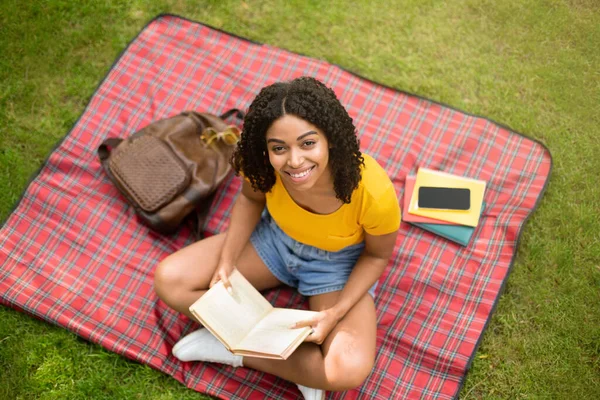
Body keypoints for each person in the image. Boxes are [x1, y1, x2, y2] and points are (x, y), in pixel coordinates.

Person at [154, 76, 400, 399]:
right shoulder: (263, 165)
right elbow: (251, 200)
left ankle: (233, 347)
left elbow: (377, 256)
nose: (294, 161)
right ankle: (277, 357)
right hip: (273, 241)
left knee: (347, 366)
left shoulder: (373, 190)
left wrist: (335, 313)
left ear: (330, 139)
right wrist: (226, 262)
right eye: (279, 148)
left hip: (336, 265)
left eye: (308, 143)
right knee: (169, 280)